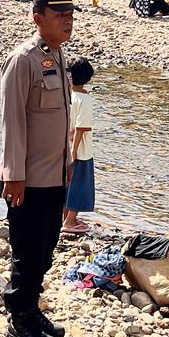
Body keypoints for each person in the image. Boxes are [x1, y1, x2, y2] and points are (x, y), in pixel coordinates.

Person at [0, 0, 75, 337]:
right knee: (27, 251)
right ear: (38, 18)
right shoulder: (23, 59)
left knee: (45, 250)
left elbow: (61, 120)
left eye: (71, 13)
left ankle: (30, 308)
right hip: (26, 179)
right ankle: (19, 319)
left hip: (54, 175)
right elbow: (12, 121)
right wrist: (14, 173)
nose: (68, 19)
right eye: (59, 14)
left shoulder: (57, 56)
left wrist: (68, 163)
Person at [61, 60, 96, 235]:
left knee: (67, 184)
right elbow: (81, 128)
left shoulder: (67, 96)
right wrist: (74, 151)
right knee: (80, 184)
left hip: (62, 146)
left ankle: (65, 216)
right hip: (80, 151)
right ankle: (70, 221)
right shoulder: (85, 99)